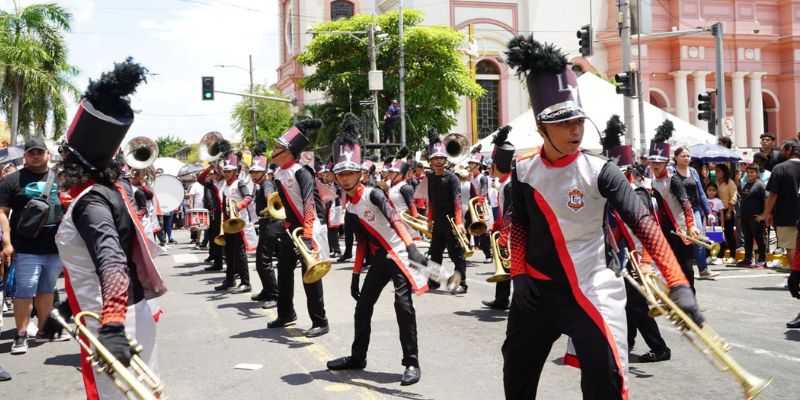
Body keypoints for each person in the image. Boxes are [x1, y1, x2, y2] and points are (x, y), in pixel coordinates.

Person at [502, 37, 702, 399]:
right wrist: (518, 274)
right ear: (541, 128)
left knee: (605, 377)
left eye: (578, 121)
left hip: (590, 287)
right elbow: (518, 224)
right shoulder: (522, 169)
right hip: (537, 289)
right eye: (563, 124)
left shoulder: (602, 171)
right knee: (516, 375)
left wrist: (678, 284)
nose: (575, 130)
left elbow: (644, 222)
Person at [49, 58, 167, 399]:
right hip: (122, 310)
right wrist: (70, 307)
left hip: (115, 317)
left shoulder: (91, 203)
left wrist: (112, 325)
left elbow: (112, 263)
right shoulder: (107, 192)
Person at [325, 113, 427, 385]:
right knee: (363, 307)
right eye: (341, 174)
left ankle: (411, 363)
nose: (345, 178)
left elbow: (395, 220)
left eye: (349, 173)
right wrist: (355, 275)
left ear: (360, 174)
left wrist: (411, 248)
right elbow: (361, 243)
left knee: (403, 305)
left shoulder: (374, 194)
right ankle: (358, 357)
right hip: (382, 257)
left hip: (400, 252)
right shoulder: (350, 207)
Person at [0, 137, 65, 355]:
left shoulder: (60, 178)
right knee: (24, 292)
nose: (36, 156)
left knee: (46, 290)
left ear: (48, 154)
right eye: (31, 152)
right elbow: (2, 212)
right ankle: (20, 334)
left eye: (40, 152)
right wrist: (7, 243)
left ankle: (44, 330)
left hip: (55, 247)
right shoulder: (12, 181)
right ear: (25, 156)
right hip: (26, 247)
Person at [267, 119, 330, 338]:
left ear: (287, 152)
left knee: (310, 274)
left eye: (277, 147)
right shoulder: (278, 173)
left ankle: (320, 321)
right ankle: (286, 313)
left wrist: (307, 231)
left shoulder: (301, 172)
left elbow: (310, 203)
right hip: (290, 228)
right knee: (283, 272)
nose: (273, 150)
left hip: (307, 228)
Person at [648, 121, 703, 290]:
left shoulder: (674, 179)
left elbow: (685, 203)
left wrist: (691, 224)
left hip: (680, 229)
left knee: (686, 268)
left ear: (666, 162)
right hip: (664, 231)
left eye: (659, 162)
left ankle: (690, 298)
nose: (655, 165)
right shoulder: (651, 182)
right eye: (652, 162)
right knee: (669, 268)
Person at [414, 128, 468, 293]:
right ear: (430, 161)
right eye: (435, 158)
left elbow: (457, 200)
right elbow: (431, 201)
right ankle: (434, 281)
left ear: (445, 160)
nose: (438, 161)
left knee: (456, 253)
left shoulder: (452, 178)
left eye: (441, 158)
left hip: (452, 221)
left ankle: (462, 283)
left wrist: (459, 223)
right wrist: (429, 221)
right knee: (435, 252)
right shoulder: (429, 179)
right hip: (438, 221)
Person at [200, 150, 256, 293]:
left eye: (229, 171)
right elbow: (201, 180)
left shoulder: (239, 183)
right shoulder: (223, 185)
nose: (226, 173)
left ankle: (246, 282)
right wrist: (210, 166)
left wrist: (239, 206)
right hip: (227, 222)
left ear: (235, 171)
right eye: (225, 170)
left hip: (238, 222)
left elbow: (249, 198)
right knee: (230, 252)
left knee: (240, 252)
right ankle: (230, 280)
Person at [481, 125, 514, 310]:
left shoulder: (509, 185)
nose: (488, 169)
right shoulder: (504, 183)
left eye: (490, 165)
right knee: (504, 265)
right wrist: (496, 224)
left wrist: (503, 236)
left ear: (496, 165)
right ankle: (501, 299)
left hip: (513, 233)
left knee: (514, 267)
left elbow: (511, 212)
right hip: (505, 229)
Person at [673, 146, 716, 279]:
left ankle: (703, 269)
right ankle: (679, 270)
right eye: (683, 156)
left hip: (694, 209)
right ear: (676, 157)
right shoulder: (671, 172)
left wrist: (708, 211)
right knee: (679, 240)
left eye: (688, 156)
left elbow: (701, 193)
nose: (686, 158)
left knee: (698, 237)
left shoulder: (693, 172)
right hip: (676, 210)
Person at [760, 140, 800, 276]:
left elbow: (772, 195)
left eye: (783, 150)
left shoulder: (780, 168)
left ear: (789, 150)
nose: (781, 153)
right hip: (789, 215)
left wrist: (767, 213)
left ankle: (796, 277)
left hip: (787, 215)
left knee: (791, 246)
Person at [249, 142, 280, 308]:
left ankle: (275, 295)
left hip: (270, 224)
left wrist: (268, 204)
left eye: (257, 172)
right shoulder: (260, 185)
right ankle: (267, 291)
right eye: (252, 172)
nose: (254, 175)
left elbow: (270, 196)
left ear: (264, 172)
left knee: (264, 260)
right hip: (265, 224)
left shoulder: (266, 184)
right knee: (261, 261)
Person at [739, 164, 767, 267]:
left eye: (752, 172)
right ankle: (748, 259)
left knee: (759, 238)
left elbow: (766, 200)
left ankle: (763, 259)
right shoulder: (746, 184)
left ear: (757, 173)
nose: (749, 174)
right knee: (747, 238)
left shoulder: (760, 185)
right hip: (745, 217)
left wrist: (763, 215)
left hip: (756, 218)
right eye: (748, 172)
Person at [467, 145, 492, 261]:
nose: (470, 165)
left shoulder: (483, 178)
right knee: (466, 227)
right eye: (470, 163)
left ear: (478, 165)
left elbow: (484, 192)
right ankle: (465, 250)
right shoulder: (470, 177)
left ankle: (488, 254)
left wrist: (478, 203)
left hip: (480, 206)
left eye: (472, 164)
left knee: (483, 231)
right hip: (471, 206)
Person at [715, 164, 738, 263]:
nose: (717, 173)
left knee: (729, 234)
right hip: (718, 210)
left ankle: (733, 255)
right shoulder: (716, 182)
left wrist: (729, 211)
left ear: (724, 172)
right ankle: (720, 255)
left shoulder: (730, 182)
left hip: (727, 209)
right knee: (718, 234)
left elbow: (734, 197)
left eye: (719, 171)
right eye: (716, 171)